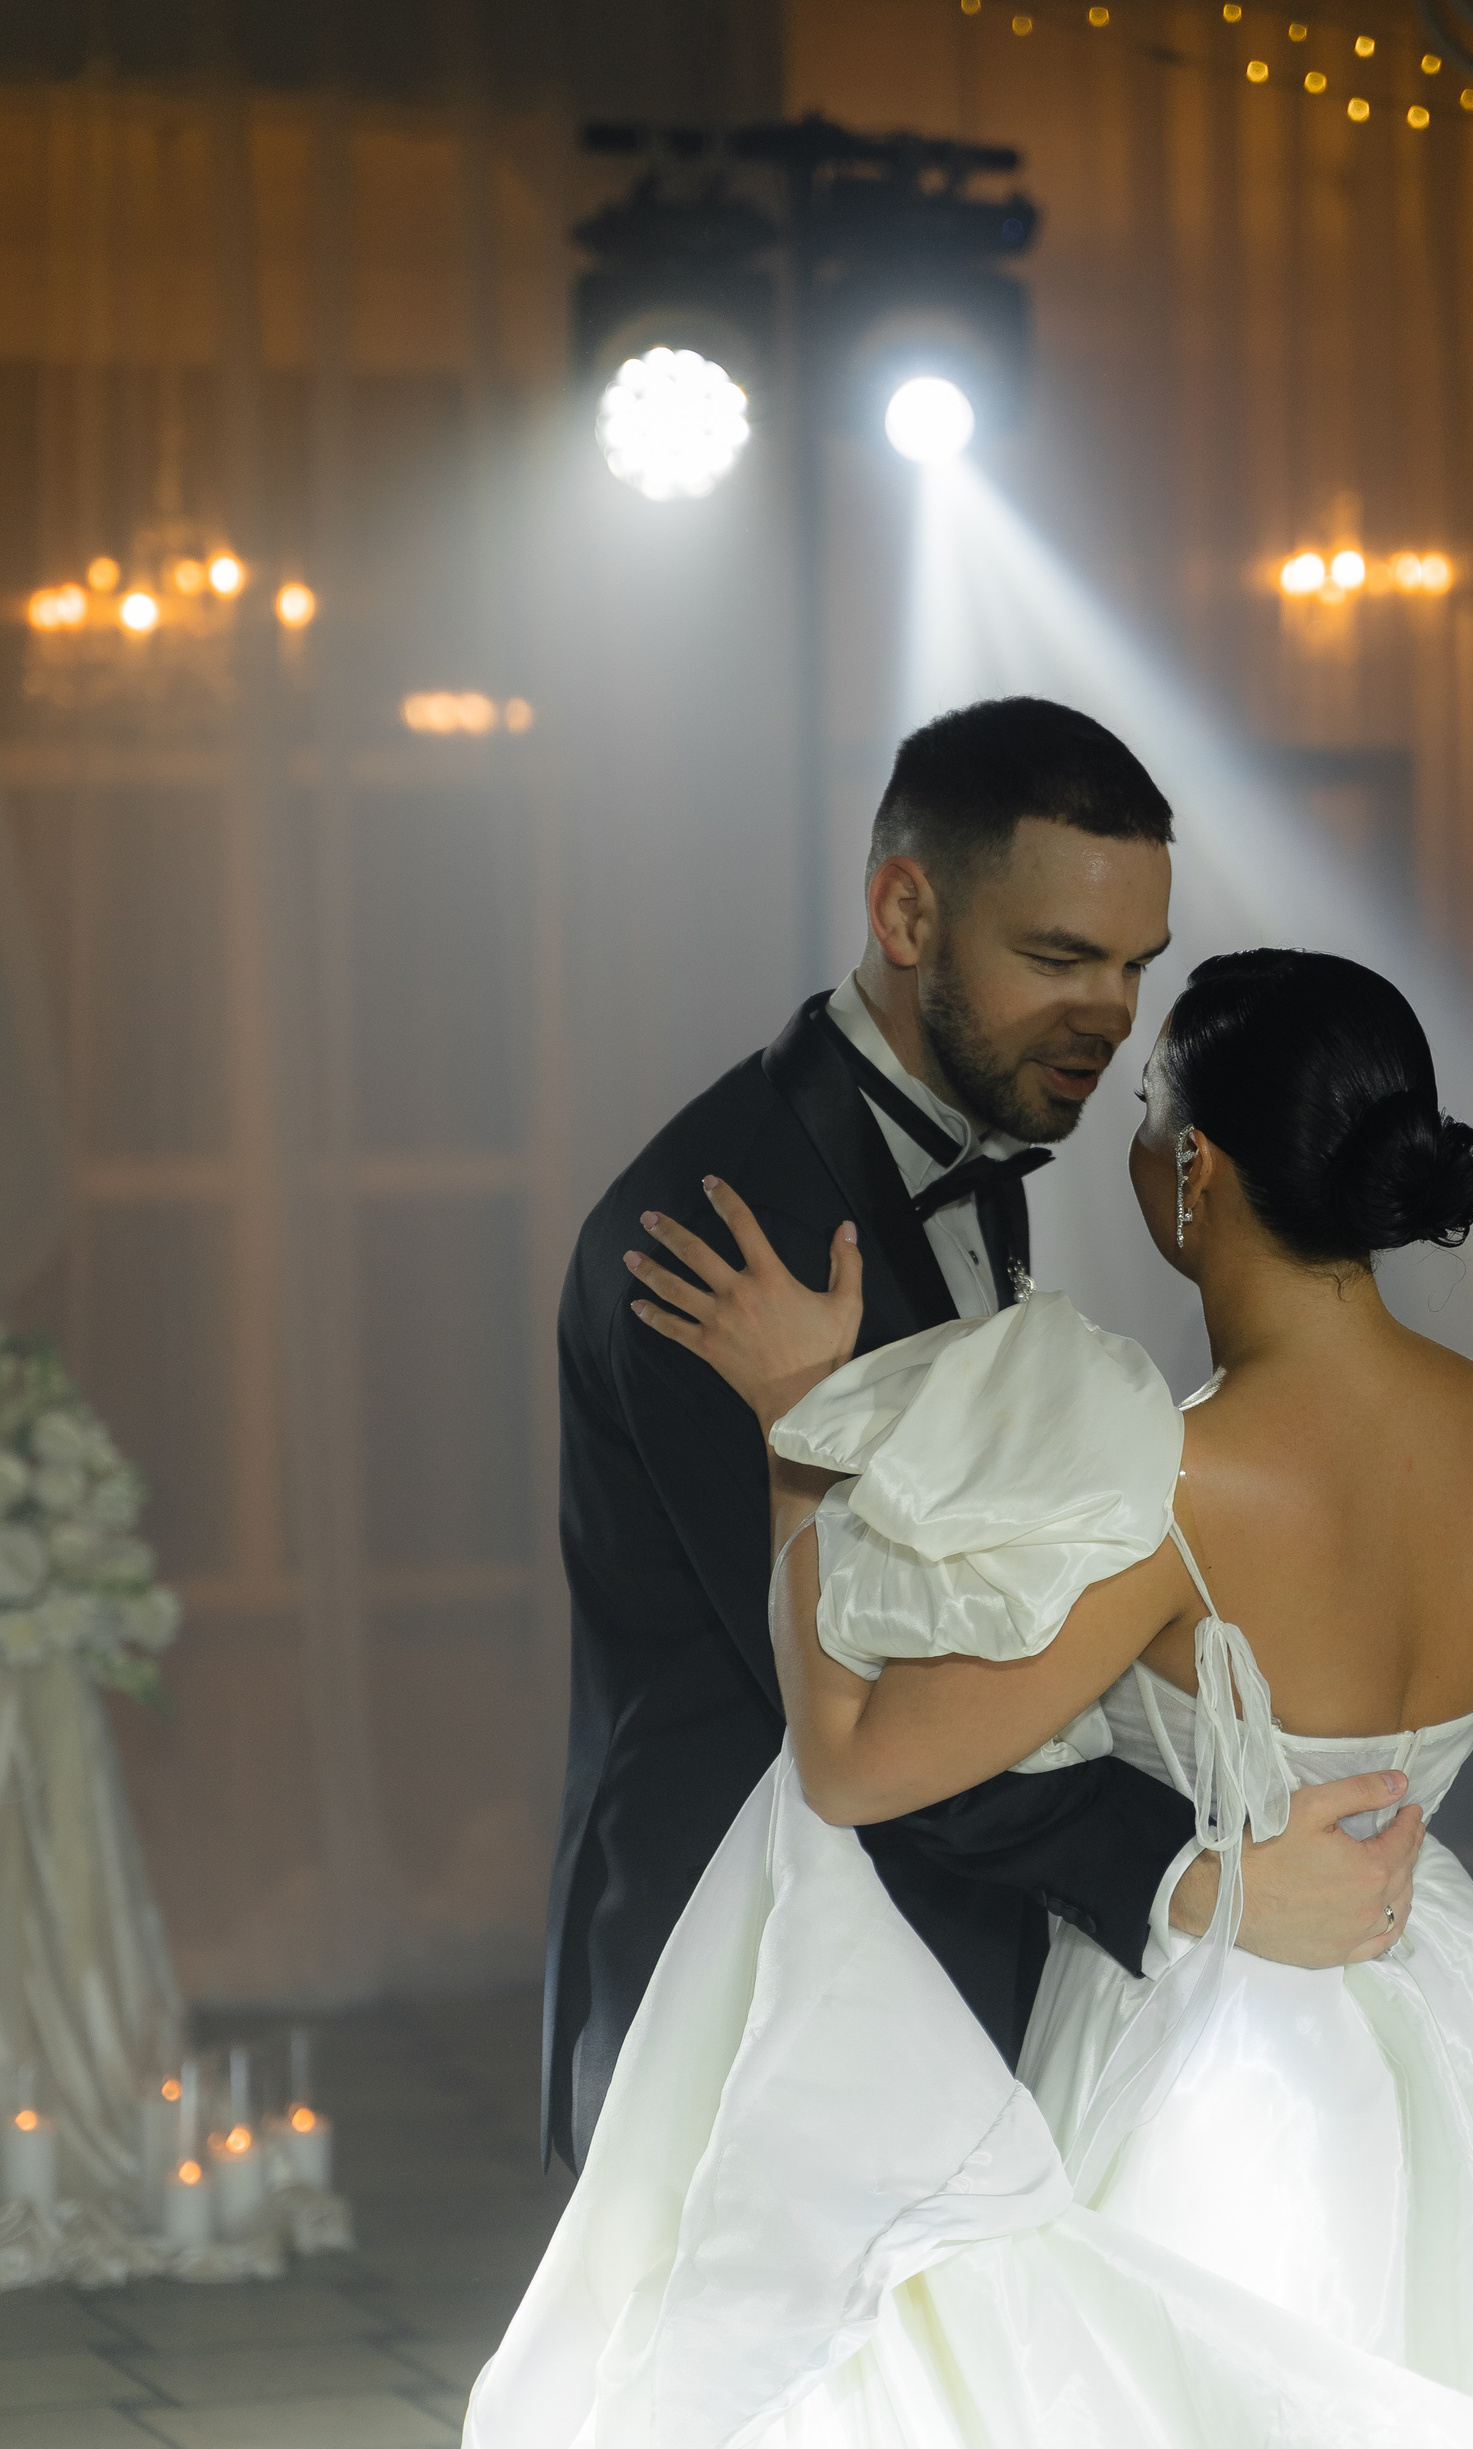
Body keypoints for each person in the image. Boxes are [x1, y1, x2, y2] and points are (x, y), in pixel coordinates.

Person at [451, 949, 1473, 2449]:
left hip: (1210, 2050)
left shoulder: (1177, 1479)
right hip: (1436, 2025)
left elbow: (853, 1760)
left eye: (1152, 1107)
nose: (1130, 1137)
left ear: (1197, 1172)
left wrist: (802, 1440)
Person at [544, 697, 1413, 2169]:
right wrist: (1198, 1879)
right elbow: (860, 1695)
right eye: (1060, 959)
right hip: (741, 1993)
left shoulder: (976, 1146)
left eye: (1136, 965)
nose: (1113, 1015)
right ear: (905, 913)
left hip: (926, 1977)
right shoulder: (716, 1229)